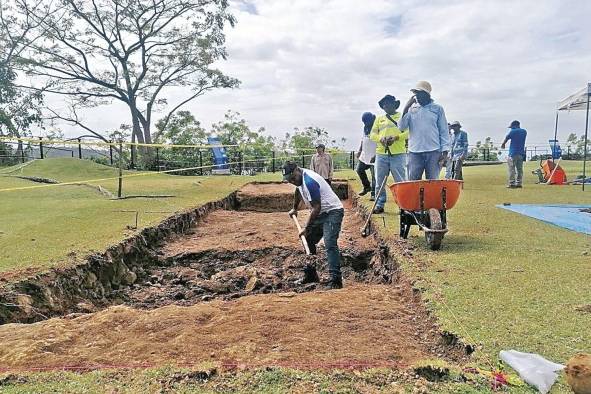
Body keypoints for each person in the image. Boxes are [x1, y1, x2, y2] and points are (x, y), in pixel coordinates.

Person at [284, 161, 344, 289]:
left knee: (330, 243)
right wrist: (294, 208)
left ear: (297, 170)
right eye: (290, 180)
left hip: (332, 212)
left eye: (293, 178)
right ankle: (311, 275)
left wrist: (306, 228)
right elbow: (298, 190)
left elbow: (317, 207)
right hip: (321, 213)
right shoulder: (299, 180)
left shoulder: (310, 181)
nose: (293, 181)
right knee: (308, 240)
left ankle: (336, 280)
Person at [400, 81, 450, 180]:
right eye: (415, 93)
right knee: (413, 183)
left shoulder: (437, 109)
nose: (417, 96)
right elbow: (401, 127)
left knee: (432, 182)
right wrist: (406, 107)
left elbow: (443, 130)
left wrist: (444, 152)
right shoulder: (411, 109)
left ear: (427, 94)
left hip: (433, 152)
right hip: (414, 152)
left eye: (419, 93)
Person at [369, 95, 408, 214]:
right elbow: (372, 135)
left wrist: (396, 137)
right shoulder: (379, 119)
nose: (385, 106)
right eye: (383, 104)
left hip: (398, 154)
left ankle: (403, 206)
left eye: (388, 103)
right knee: (379, 181)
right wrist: (381, 138)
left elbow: (408, 133)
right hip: (381, 154)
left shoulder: (402, 117)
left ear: (394, 104)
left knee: (400, 181)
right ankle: (379, 204)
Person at [356, 112, 377, 200]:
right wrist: (360, 150)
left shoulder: (377, 126)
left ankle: (373, 193)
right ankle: (366, 187)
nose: (364, 123)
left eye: (366, 121)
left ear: (371, 120)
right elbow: (363, 139)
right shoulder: (366, 127)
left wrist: (376, 155)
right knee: (359, 169)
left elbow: (380, 141)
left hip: (374, 155)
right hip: (365, 154)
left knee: (374, 176)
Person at [501, 120, 527, 188]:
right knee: (520, 169)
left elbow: (507, 137)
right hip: (521, 153)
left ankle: (512, 183)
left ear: (514, 126)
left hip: (513, 153)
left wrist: (503, 144)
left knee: (511, 169)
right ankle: (519, 183)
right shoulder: (524, 131)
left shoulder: (513, 131)